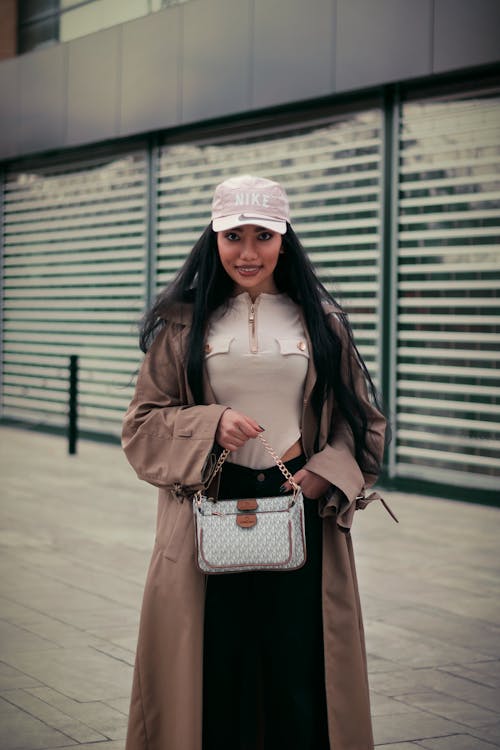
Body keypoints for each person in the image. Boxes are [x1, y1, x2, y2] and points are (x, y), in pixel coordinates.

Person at [122, 174, 389, 750]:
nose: (248, 252)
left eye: (263, 236)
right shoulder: (183, 324)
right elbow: (141, 426)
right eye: (233, 236)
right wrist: (210, 423)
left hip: (300, 512)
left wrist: (326, 473)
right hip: (206, 510)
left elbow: (360, 423)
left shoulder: (320, 322)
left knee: (299, 673)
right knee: (212, 670)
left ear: (284, 239)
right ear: (213, 240)